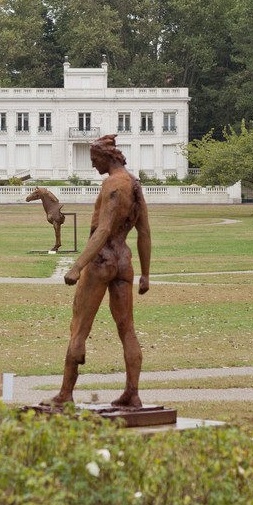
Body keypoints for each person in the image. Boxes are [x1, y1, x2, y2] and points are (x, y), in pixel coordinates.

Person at [48, 134, 151, 408]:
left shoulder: (112, 185)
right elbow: (144, 232)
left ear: (107, 158)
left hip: (102, 261)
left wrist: (77, 266)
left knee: (79, 326)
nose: (94, 166)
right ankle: (133, 392)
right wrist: (145, 273)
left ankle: (65, 394)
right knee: (127, 328)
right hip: (124, 262)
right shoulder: (135, 185)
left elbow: (104, 230)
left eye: (95, 161)